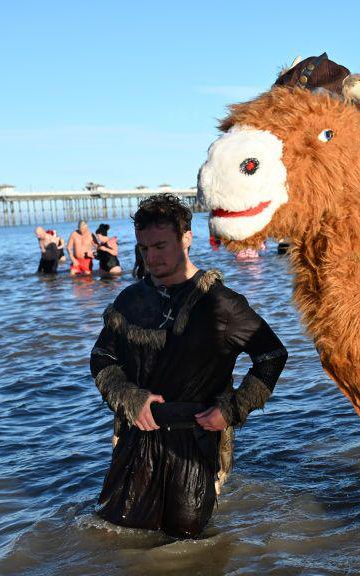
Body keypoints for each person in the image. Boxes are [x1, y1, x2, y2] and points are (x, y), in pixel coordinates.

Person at [89, 194, 288, 538]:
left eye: (160, 246)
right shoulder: (130, 300)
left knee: (188, 542)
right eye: (144, 248)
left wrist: (233, 409)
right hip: (137, 437)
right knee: (118, 534)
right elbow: (102, 358)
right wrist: (130, 398)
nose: (151, 257)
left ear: (186, 238)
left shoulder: (220, 304)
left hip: (195, 439)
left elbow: (271, 355)